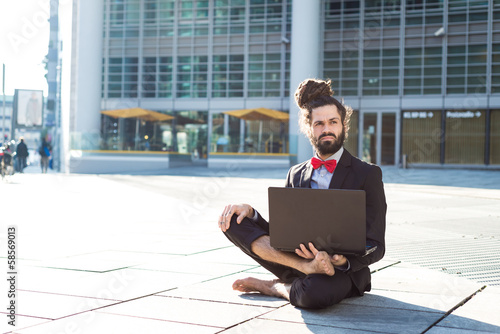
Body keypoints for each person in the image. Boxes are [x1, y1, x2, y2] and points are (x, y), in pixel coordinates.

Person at [218, 78, 387, 309]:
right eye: (319, 124)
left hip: (339, 271)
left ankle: (274, 287)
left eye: (333, 122)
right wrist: (253, 214)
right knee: (233, 221)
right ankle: (302, 273)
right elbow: (281, 233)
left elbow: (377, 244)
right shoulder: (295, 174)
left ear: (343, 125)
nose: (326, 129)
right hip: (296, 261)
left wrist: (345, 260)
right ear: (308, 128)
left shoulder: (368, 174)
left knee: (313, 295)